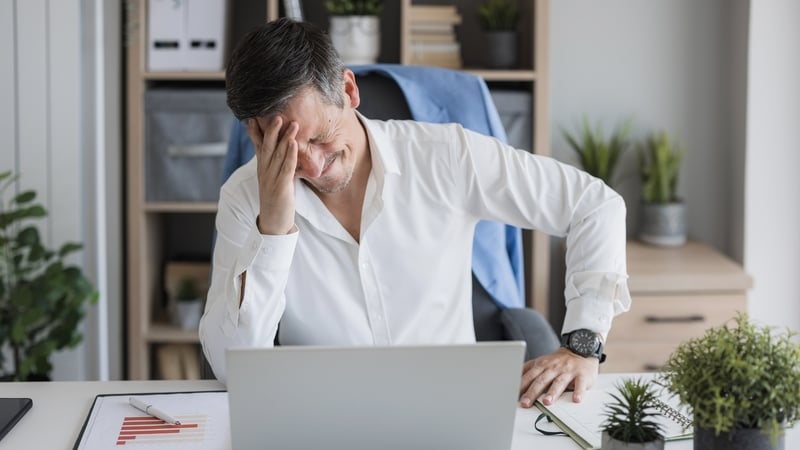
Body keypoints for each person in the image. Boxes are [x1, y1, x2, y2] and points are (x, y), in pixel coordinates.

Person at [199, 18, 631, 409]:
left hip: (454, 411)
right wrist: (273, 228)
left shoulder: (445, 157)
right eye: (289, 151)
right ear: (256, 134)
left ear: (349, 91)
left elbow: (594, 205)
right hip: (324, 418)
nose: (312, 167)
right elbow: (231, 369)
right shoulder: (245, 197)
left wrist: (582, 343)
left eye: (321, 137)